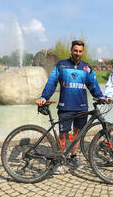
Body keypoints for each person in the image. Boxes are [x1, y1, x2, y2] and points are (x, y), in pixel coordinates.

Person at [36, 40, 104, 173]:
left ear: (82, 52)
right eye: (75, 50)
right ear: (71, 50)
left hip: (81, 106)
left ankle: (73, 157)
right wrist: (44, 97)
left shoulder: (86, 68)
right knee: (63, 134)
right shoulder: (61, 65)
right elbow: (52, 82)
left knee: (77, 134)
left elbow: (93, 85)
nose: (77, 53)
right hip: (65, 106)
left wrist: (100, 96)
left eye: (80, 51)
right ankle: (59, 159)